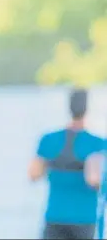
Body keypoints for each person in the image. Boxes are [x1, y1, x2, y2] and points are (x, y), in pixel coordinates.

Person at [28, 88, 105, 239]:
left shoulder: (48, 140)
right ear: (88, 109)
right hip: (84, 219)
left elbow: (33, 174)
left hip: (55, 215)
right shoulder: (97, 143)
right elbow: (93, 180)